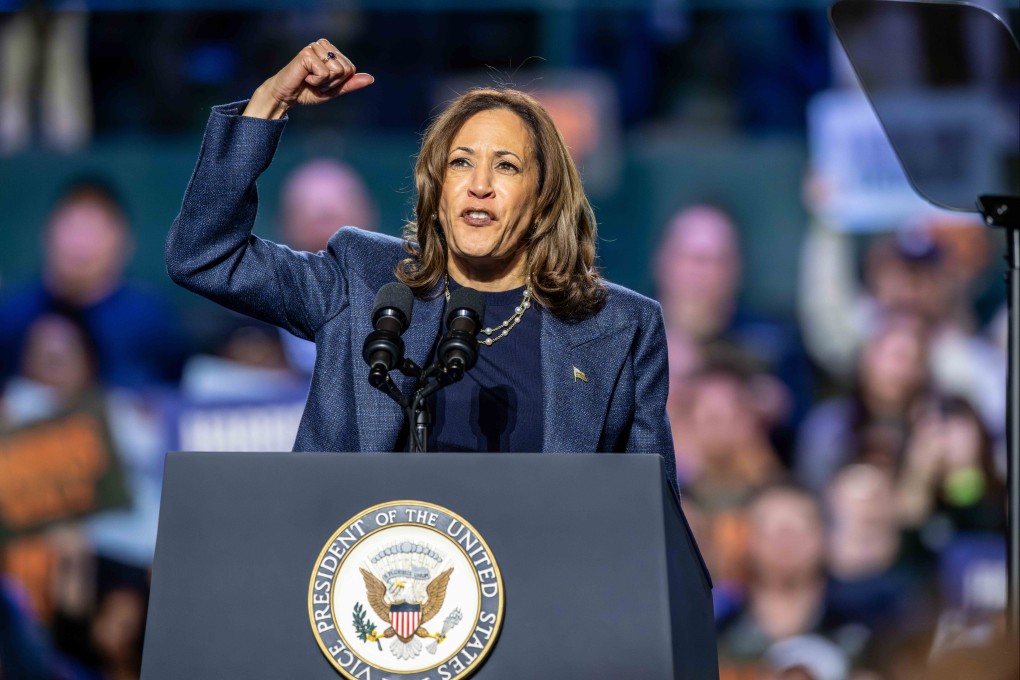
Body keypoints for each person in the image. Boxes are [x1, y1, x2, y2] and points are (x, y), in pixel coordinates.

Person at [165, 40, 676, 487]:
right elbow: (204, 255)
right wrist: (268, 104)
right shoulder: (364, 280)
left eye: (506, 166)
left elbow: (650, 519)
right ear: (437, 188)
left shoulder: (620, 328)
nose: (479, 184)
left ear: (543, 198)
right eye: (460, 162)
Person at [0, 178, 188, 392]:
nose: (79, 243)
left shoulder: (151, 320)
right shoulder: (11, 315)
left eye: (93, 230)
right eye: (71, 227)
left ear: (124, 243)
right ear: (47, 232)